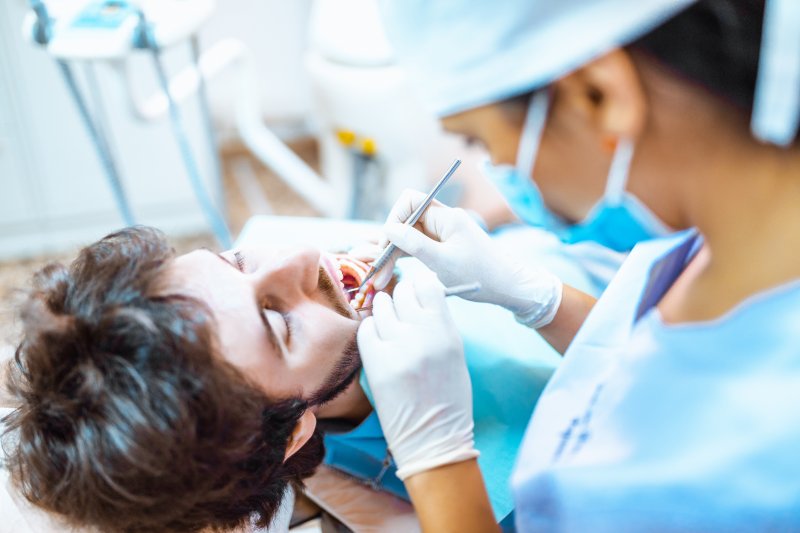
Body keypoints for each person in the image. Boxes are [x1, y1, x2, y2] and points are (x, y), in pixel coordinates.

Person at [358, 0, 800, 531]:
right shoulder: (729, 231)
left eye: (479, 141)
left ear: (599, 93)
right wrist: (539, 300)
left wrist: (437, 462)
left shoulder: (736, 475)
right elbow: (665, 365)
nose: (497, 171)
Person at [0, 222, 596, 531]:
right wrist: (437, 454)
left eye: (236, 260)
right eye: (279, 322)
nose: (301, 257)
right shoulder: (527, 496)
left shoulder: (301, 254)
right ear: (291, 433)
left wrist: (538, 292)